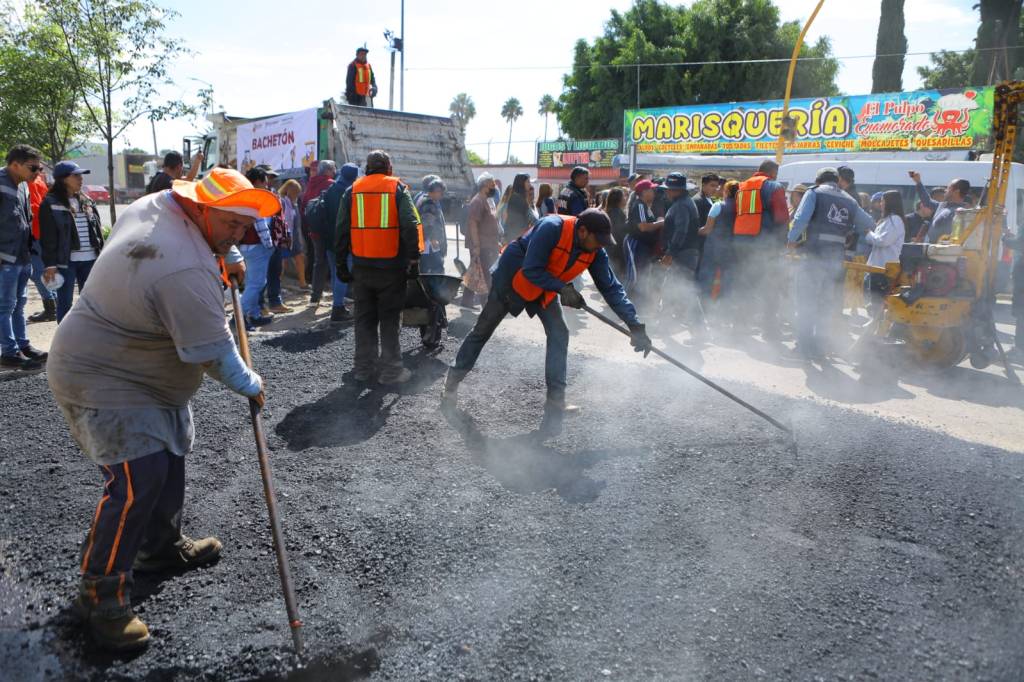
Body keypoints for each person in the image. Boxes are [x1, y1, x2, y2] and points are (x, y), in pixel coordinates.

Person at [46, 167, 274, 652]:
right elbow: (215, 352)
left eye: (244, 228)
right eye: (232, 225)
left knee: (169, 459)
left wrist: (227, 252)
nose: (239, 235)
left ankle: (158, 548)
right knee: (138, 478)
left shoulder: (163, 204)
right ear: (204, 209)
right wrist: (250, 383)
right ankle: (100, 595)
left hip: (146, 370)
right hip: (105, 375)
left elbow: (211, 241)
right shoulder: (183, 267)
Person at [441, 209, 652, 435]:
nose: (600, 246)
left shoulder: (595, 252)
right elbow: (532, 268)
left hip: (545, 286)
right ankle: (451, 384)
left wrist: (635, 324)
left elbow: (611, 288)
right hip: (513, 278)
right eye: (597, 240)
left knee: (559, 332)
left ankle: (556, 401)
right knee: (483, 329)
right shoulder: (551, 228)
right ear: (582, 231)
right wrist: (563, 289)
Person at [335, 150, 421, 384]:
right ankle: (391, 372)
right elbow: (411, 226)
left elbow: (341, 229)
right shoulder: (398, 189)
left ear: (367, 168)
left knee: (364, 319)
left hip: (362, 268)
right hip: (392, 269)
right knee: (390, 320)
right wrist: (413, 260)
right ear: (389, 168)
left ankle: (364, 369)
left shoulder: (352, 191)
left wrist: (341, 263)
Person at [787, 167, 875, 360]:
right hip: (836, 260)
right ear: (836, 180)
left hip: (814, 256)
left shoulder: (814, 192)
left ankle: (803, 348)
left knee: (806, 303)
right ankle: (820, 348)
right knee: (826, 305)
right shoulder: (850, 200)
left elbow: (801, 219)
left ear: (818, 180)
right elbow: (868, 222)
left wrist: (791, 241)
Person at [0, 144, 48, 370]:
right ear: (15, 164)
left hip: (22, 257)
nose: (37, 173)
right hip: (5, 259)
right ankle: (9, 353)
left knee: (19, 305)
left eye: (39, 168)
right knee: (5, 306)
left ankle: (22, 345)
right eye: (33, 168)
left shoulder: (24, 186)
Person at [39, 161, 104, 323]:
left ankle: (86, 337)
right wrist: (50, 265)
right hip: (65, 262)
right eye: (75, 175)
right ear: (62, 179)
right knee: (65, 303)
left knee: (90, 303)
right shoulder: (50, 202)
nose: (80, 179)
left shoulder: (87, 201)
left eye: (81, 175)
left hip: (90, 260)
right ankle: (64, 343)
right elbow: (48, 237)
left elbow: (97, 231)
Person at [732, 159, 790, 339]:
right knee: (769, 287)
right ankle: (770, 330)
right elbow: (782, 217)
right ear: (773, 172)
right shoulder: (773, 186)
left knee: (745, 286)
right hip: (764, 244)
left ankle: (739, 327)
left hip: (741, 242)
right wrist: (782, 244)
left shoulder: (743, 186)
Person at [661, 173, 702, 332]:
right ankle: (697, 329)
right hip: (685, 253)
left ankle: (698, 329)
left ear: (678, 190)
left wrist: (670, 253)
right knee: (681, 290)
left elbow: (680, 231)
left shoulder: (681, 205)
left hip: (683, 254)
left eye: (670, 189)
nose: (667, 192)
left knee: (681, 291)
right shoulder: (684, 203)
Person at [861, 191, 907, 327]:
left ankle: (877, 326)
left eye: (882, 201)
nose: (880, 204)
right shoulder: (888, 220)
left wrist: (868, 234)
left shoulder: (895, 220)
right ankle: (875, 324)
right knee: (872, 297)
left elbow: (883, 241)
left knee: (878, 299)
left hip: (884, 267)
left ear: (889, 202)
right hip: (877, 266)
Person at [238, 166, 276, 328]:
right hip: (257, 247)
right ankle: (240, 317)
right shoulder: (255, 198)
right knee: (256, 284)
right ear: (258, 181)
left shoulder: (244, 196)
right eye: (265, 182)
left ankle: (253, 314)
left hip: (246, 246)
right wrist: (269, 245)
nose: (267, 186)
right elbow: (261, 226)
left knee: (252, 282)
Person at [697, 180, 739, 321]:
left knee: (706, 280)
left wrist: (694, 231)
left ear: (726, 192)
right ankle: (724, 315)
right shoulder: (741, 208)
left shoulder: (718, 205)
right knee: (728, 283)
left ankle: (705, 313)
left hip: (713, 248)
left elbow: (707, 229)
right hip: (732, 250)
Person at [416, 177, 448, 348]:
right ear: (434, 190)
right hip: (430, 254)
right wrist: (435, 241)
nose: (441, 195)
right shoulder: (428, 202)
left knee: (429, 292)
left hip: (426, 253)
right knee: (434, 291)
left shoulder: (423, 199)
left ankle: (431, 331)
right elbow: (428, 226)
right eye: (440, 191)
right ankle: (431, 334)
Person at [623, 179, 663, 307]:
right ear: (644, 192)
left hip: (643, 245)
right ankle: (620, 302)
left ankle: (637, 305)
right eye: (651, 189)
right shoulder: (640, 204)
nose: (654, 192)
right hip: (635, 243)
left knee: (641, 276)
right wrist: (662, 222)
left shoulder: (646, 206)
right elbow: (643, 227)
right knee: (633, 276)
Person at [462, 173, 501, 308]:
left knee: (475, 271)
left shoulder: (489, 200)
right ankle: (487, 304)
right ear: (485, 186)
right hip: (482, 244)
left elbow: (494, 220)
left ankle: (466, 301)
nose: (494, 187)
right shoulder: (477, 201)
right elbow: (473, 224)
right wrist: (477, 245)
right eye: (492, 184)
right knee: (485, 274)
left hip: (491, 243)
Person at [27, 172, 57, 323]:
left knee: (37, 271)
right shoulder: (38, 179)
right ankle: (54, 305)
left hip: (34, 233)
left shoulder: (27, 182)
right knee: (45, 270)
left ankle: (51, 307)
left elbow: (33, 208)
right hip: (42, 232)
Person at [910, 171, 970, 244]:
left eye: (949, 188)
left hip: (945, 252)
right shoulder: (942, 205)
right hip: (931, 250)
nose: (945, 190)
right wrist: (918, 182)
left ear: (956, 191)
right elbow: (927, 201)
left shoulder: (963, 212)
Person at [277, 179, 307, 289]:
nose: (297, 195)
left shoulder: (293, 203)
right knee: (282, 262)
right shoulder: (282, 202)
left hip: (294, 236)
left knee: (299, 258)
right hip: (285, 237)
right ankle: (277, 284)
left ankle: (302, 283)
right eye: (296, 192)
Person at [499, 173, 536, 242]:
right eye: (528, 182)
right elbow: (521, 222)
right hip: (516, 238)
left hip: (516, 237)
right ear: (521, 183)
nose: (530, 184)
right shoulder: (518, 199)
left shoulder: (518, 197)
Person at [605, 187, 628, 275]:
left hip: (611, 249)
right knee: (618, 276)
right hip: (616, 250)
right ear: (619, 199)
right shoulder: (617, 212)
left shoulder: (611, 211)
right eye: (624, 197)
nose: (625, 199)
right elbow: (618, 232)